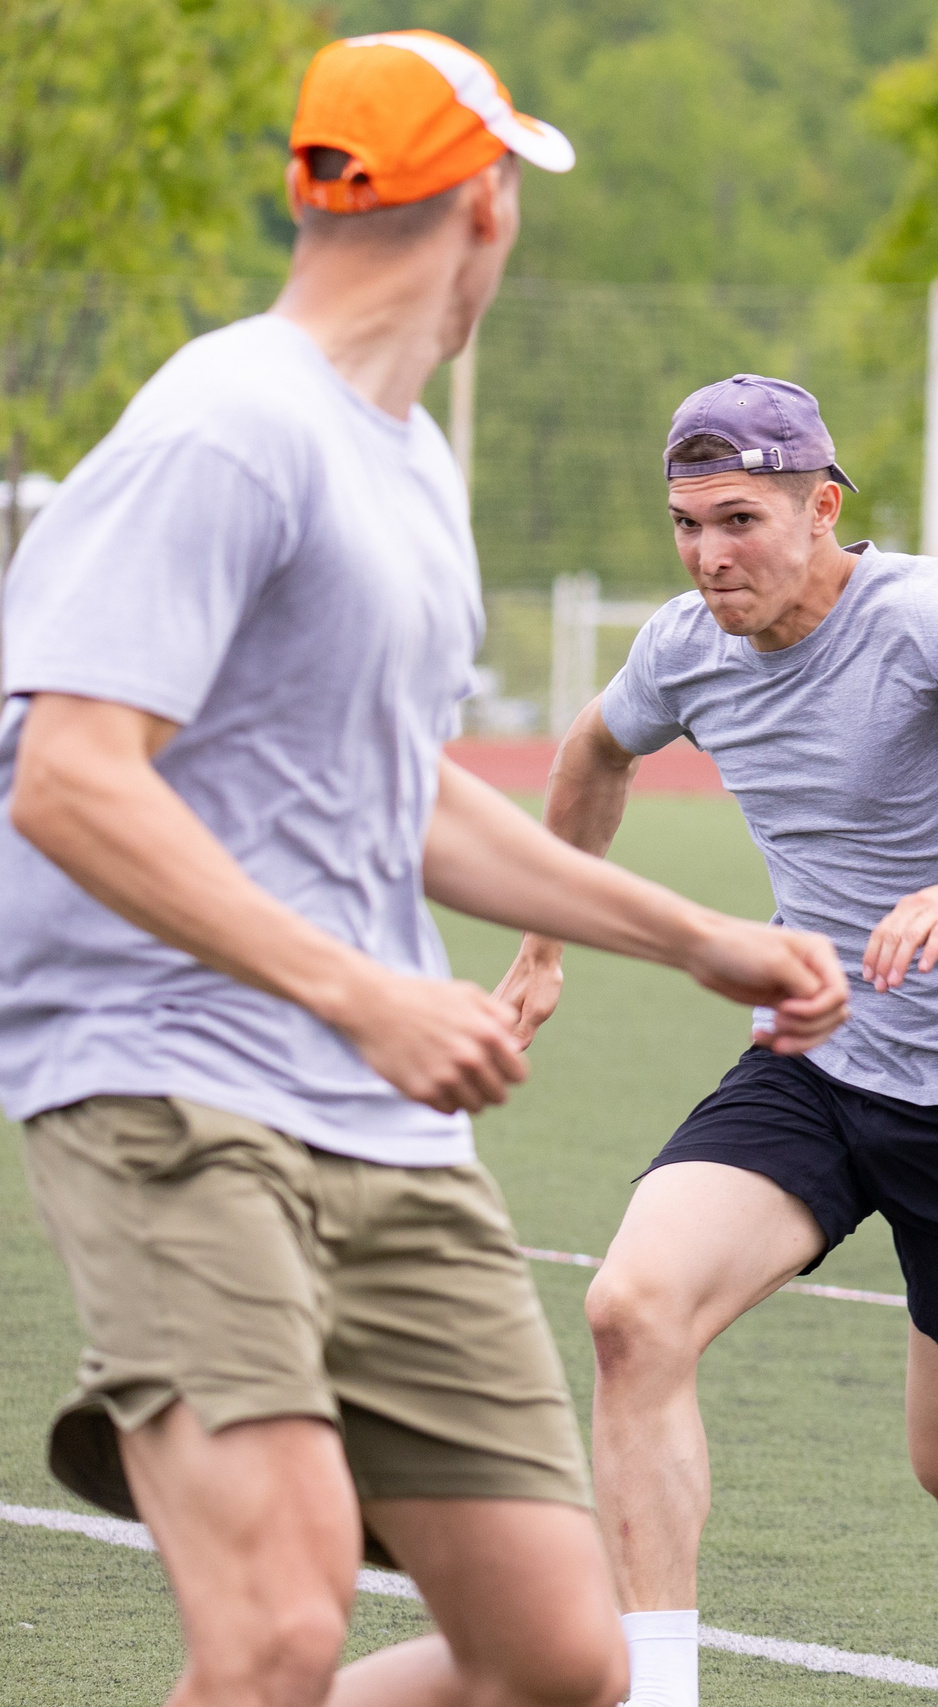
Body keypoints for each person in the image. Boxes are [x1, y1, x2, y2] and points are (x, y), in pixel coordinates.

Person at [0, 33, 850, 1707]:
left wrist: (696, 938)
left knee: (557, 1653)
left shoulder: (410, 462)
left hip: (379, 1124)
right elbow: (67, 777)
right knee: (278, 1621)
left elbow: (404, 799)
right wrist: (364, 988)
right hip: (171, 1088)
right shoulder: (227, 426)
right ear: (481, 208)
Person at [494, 376, 938, 1707]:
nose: (711, 556)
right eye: (688, 523)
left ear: (824, 508)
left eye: (743, 520)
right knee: (631, 1310)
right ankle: (658, 1687)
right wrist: (542, 944)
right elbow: (594, 751)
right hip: (815, 1059)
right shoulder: (686, 642)